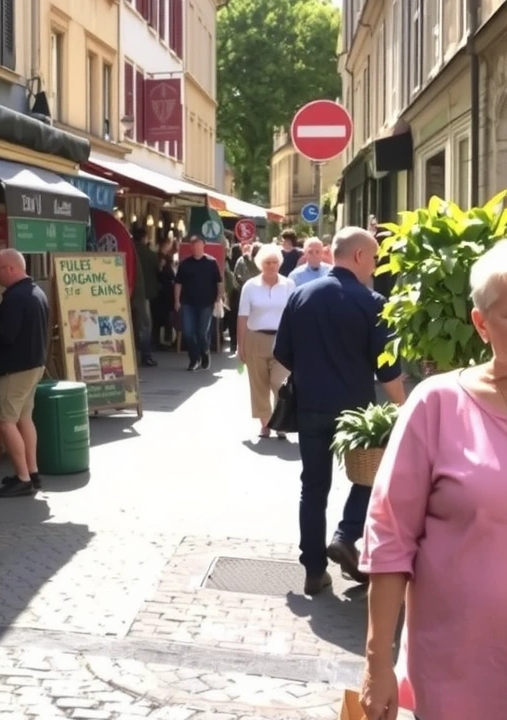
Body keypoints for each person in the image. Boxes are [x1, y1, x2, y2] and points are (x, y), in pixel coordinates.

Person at [360, 239, 507, 720]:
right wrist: (377, 665)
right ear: (481, 322)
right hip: (457, 682)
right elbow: (390, 537)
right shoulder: (439, 404)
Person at [273, 226, 406, 596]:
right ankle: (347, 535)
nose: (376, 267)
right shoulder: (372, 302)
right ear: (360, 256)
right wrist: (403, 407)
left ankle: (314, 570)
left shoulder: (301, 295)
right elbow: (388, 369)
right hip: (358, 415)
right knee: (371, 478)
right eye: (375, 258)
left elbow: (282, 354)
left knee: (313, 486)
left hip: (311, 405)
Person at [0, 249, 49, 499]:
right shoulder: (37, 292)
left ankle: (22, 478)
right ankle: (32, 472)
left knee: (5, 421)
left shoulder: (16, 298)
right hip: (34, 365)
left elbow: (7, 335)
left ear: (10, 269)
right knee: (24, 419)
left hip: (15, 369)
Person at [237, 245, 295, 439]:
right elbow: (242, 317)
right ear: (260, 264)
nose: (271, 266)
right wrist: (241, 345)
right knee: (259, 385)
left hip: (282, 339)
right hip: (256, 339)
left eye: (275, 262)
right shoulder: (250, 286)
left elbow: (295, 314)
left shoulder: (289, 285)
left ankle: (281, 422)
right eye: (267, 263)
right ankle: (265, 423)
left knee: (279, 382)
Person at [174, 234, 223, 372]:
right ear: (191, 246)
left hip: (206, 303)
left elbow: (219, 282)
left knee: (202, 332)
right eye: (193, 244)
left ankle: (205, 352)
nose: (195, 246)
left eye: (198, 243)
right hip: (187, 302)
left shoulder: (211, 262)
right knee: (188, 332)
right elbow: (178, 283)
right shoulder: (185, 263)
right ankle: (194, 358)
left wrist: (218, 298)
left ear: (203, 245)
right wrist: (177, 300)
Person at [132, 227, 158, 367]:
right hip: (143, 293)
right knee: (145, 324)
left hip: (129, 291)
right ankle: (146, 355)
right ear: (144, 238)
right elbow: (156, 266)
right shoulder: (148, 253)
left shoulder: (128, 248)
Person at [152, 237, 176, 350]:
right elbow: (161, 273)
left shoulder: (166, 257)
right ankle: (159, 341)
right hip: (163, 292)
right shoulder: (160, 258)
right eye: (168, 244)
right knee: (160, 317)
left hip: (165, 291)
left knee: (163, 317)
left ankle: (163, 340)